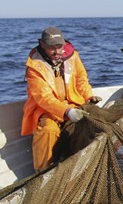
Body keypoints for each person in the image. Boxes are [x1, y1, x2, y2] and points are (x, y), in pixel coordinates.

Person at [21, 27, 101, 171]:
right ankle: (43, 172)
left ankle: (85, 168)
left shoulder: (73, 57)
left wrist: (89, 96)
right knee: (48, 130)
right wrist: (67, 111)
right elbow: (43, 97)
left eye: (59, 46)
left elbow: (81, 80)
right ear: (42, 44)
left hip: (73, 103)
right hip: (46, 110)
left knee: (93, 126)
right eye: (52, 48)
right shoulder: (34, 66)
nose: (57, 52)